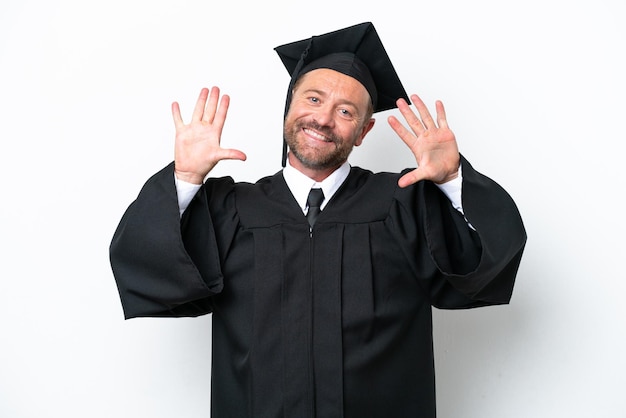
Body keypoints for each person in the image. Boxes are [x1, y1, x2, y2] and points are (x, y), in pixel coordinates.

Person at [110, 22, 526, 418]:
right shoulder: (231, 208)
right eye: (313, 99)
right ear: (289, 108)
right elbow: (145, 265)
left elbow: (488, 262)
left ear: (363, 132)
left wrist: (454, 177)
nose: (324, 118)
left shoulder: (404, 203)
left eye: (346, 111)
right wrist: (185, 178)